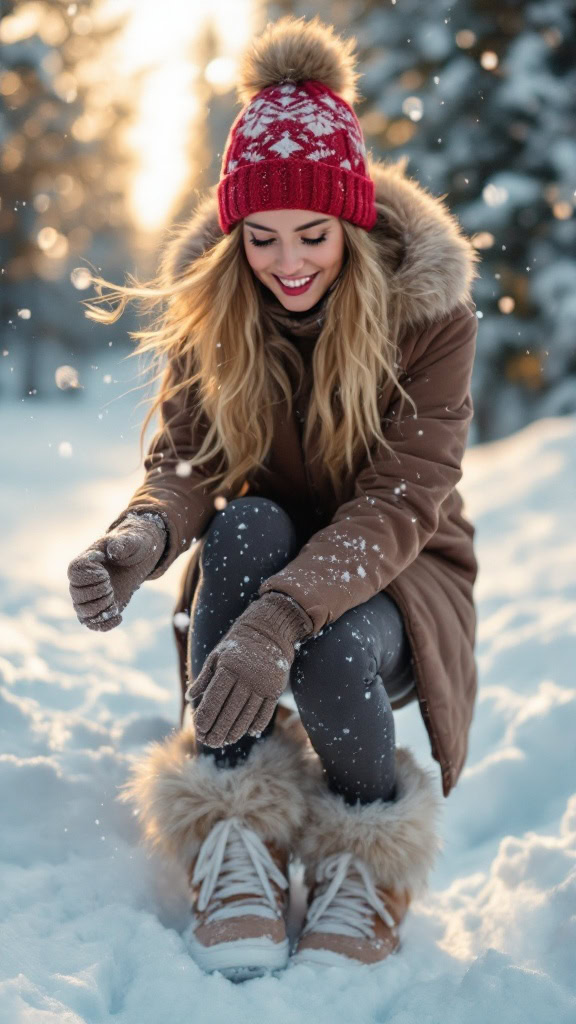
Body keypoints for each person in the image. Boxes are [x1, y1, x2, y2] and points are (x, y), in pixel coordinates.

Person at [67, 15, 481, 981]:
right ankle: (234, 835)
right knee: (247, 521)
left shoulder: (431, 317)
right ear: (234, 233)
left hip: (398, 574)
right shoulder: (219, 307)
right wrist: (140, 538)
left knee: (331, 645)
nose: (287, 263)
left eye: (312, 234)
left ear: (352, 221)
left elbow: (404, 495)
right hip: (259, 560)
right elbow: (190, 461)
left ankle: (365, 859)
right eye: (260, 238)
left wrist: (285, 616)